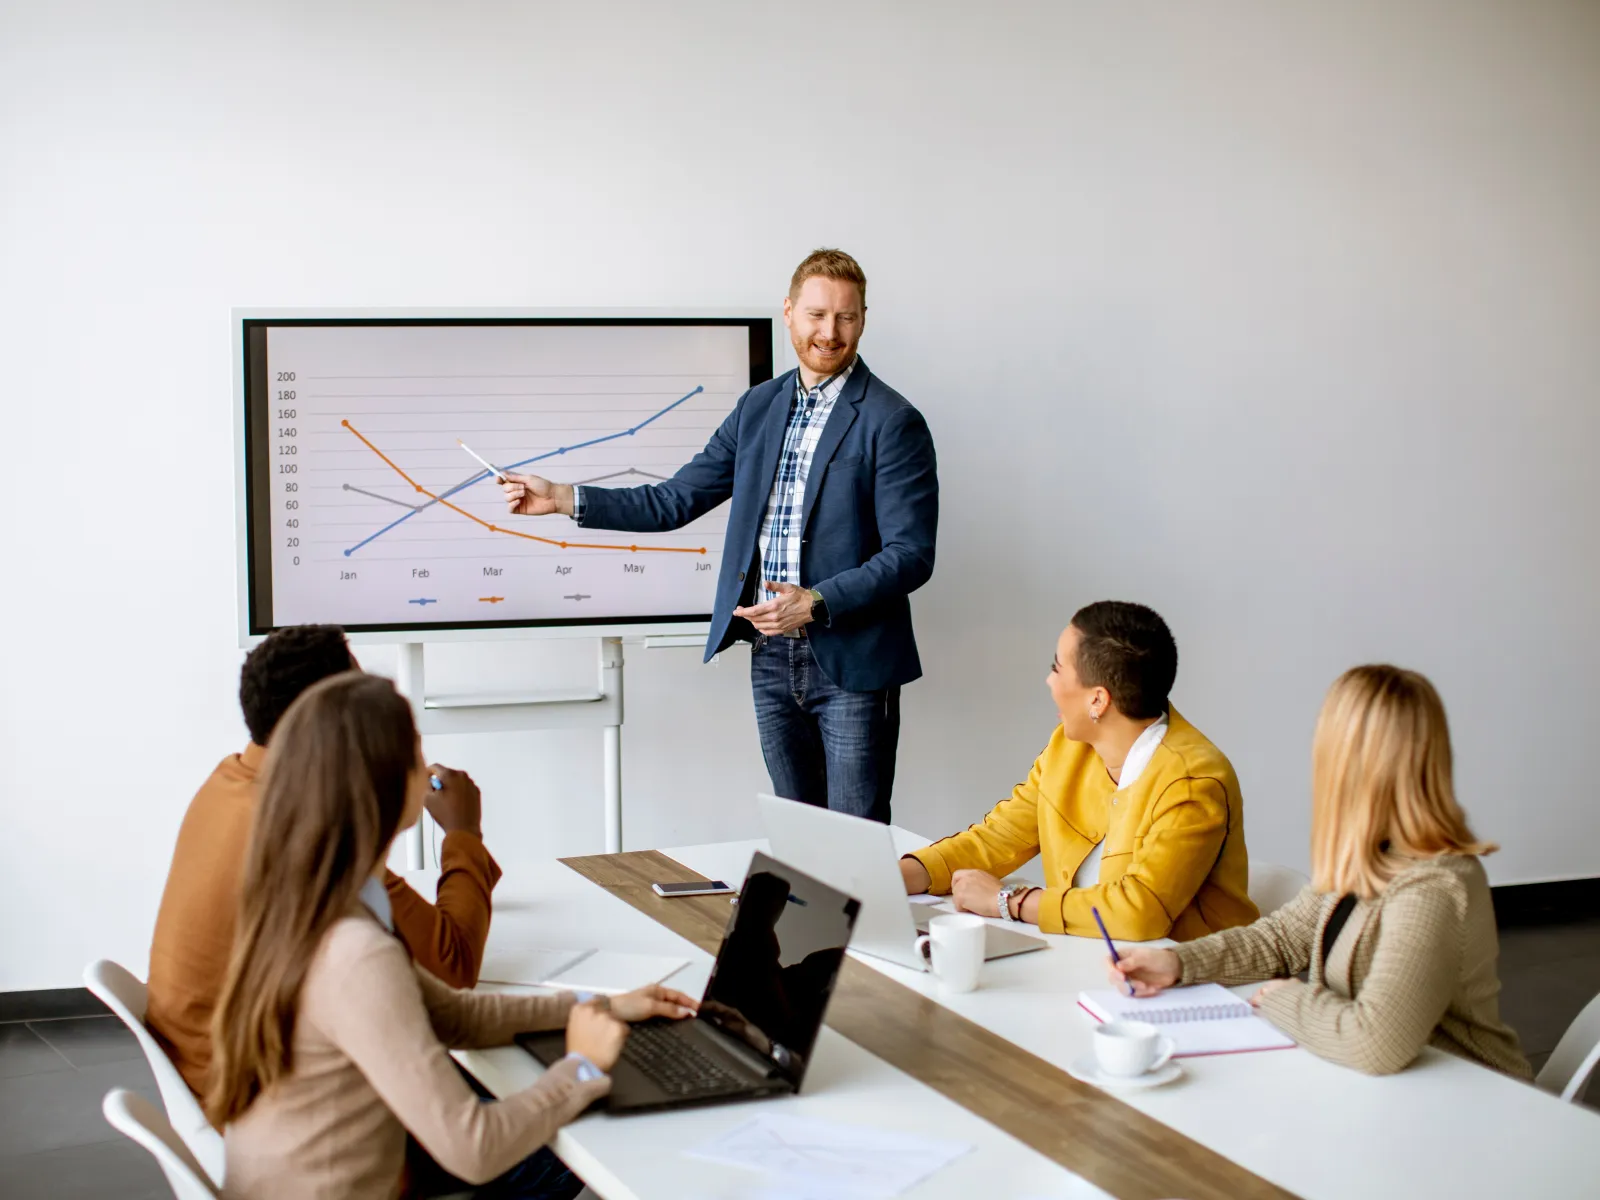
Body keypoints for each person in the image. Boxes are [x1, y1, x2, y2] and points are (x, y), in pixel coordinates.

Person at [207, 671, 697, 1198]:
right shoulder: (355, 952)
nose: (429, 770)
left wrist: (603, 1006)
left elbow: (456, 1015)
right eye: (418, 759)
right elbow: (474, 1149)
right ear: (388, 789)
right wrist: (579, 1067)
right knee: (584, 1118)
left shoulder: (314, 898)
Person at [500, 249, 938, 824]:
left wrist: (818, 601)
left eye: (845, 317)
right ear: (788, 312)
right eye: (815, 315)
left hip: (853, 662)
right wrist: (562, 497)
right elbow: (676, 499)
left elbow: (911, 555)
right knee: (800, 837)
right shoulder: (758, 407)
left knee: (858, 842)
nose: (829, 332)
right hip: (770, 654)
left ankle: (870, 921)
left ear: (862, 319)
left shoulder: (891, 419)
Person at [1110, 665, 1531, 1078]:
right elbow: (1279, 942)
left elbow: (1375, 1043)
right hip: (1395, 1093)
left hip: (1471, 1101)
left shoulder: (1435, 885)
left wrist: (1286, 999)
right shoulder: (1369, 855)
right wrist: (1176, 963)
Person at [147, 624, 499, 1098]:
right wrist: (463, 834)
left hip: (217, 1083)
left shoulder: (230, 782)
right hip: (284, 1114)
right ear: (333, 723)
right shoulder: (308, 827)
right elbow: (453, 969)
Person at [899, 601, 1257, 940]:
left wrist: (1008, 902)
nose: (1049, 681)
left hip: (1187, 986)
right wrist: (895, 878)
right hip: (1092, 964)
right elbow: (999, 837)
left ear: (1097, 699)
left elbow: (1139, 912)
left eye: (1057, 668)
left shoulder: (1192, 782)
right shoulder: (1068, 748)